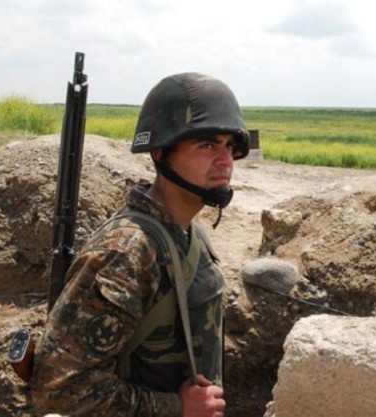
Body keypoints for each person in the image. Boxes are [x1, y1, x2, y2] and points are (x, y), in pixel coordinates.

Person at [31, 72, 249, 416]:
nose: (225, 160)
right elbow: (60, 392)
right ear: (161, 153)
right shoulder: (128, 251)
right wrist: (176, 407)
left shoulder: (188, 233)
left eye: (229, 146)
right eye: (207, 145)